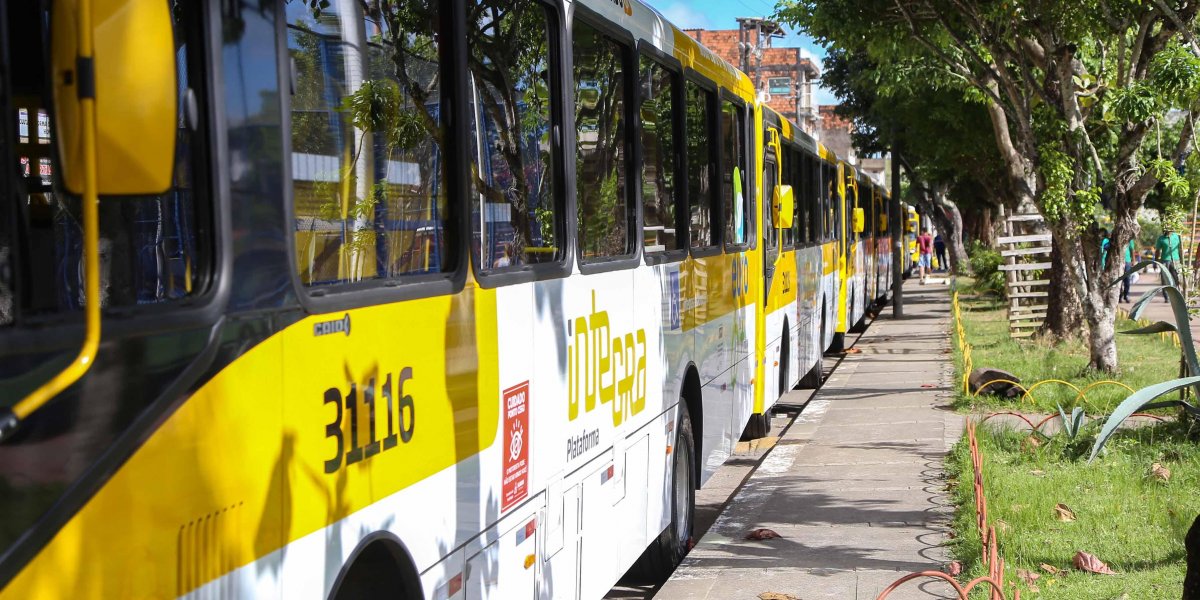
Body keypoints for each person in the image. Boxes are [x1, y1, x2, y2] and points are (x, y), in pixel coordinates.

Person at [1155, 227, 1183, 302]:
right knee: (1164, 279)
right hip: (1165, 260)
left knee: (1176, 278)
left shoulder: (1177, 237)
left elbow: (1180, 249)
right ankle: (1166, 297)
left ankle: (1176, 295)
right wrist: (1156, 261)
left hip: (1176, 260)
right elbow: (1157, 251)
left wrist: (1182, 260)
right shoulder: (1161, 238)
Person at [1120, 238, 1137, 303]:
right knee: (1119, 280)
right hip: (1119, 261)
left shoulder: (1130, 239)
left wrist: (1133, 260)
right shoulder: (1117, 236)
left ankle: (1126, 295)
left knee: (1127, 279)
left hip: (1127, 261)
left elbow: (1132, 250)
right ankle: (1119, 296)